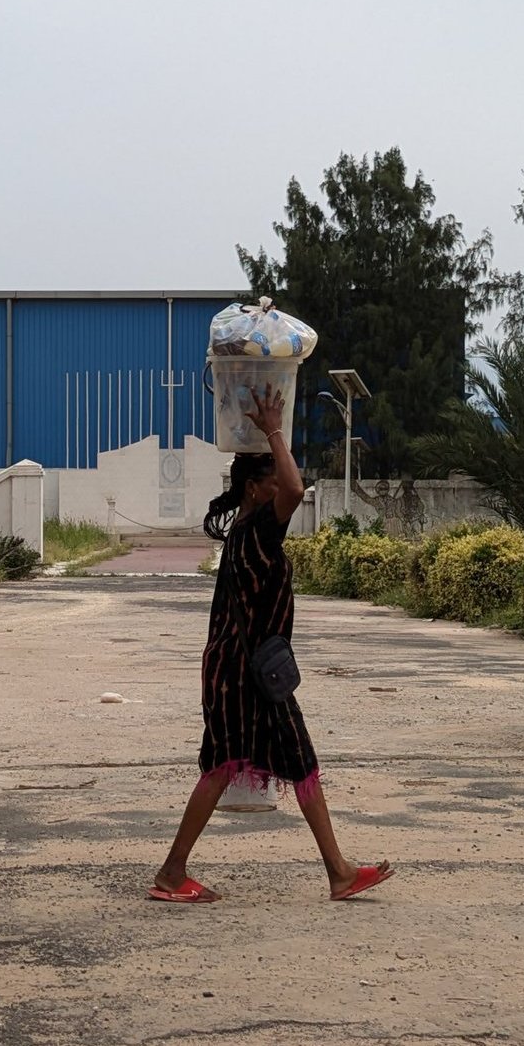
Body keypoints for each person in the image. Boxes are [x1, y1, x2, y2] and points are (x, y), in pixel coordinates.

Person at [148, 386, 393, 903]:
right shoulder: (258, 529)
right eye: (271, 481)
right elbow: (297, 489)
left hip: (241, 671)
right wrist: (276, 430)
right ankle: (172, 872)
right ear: (256, 490)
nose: (280, 487)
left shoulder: (244, 531)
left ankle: (339, 871)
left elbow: (290, 486)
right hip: (246, 675)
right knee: (227, 766)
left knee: (281, 762)